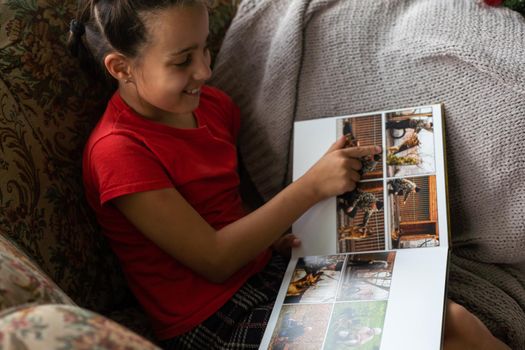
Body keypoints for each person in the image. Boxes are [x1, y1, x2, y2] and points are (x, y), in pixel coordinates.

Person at [67, 1, 510, 349]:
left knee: (450, 319)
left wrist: (274, 237)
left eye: (205, 48)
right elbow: (214, 259)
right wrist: (311, 186)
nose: (204, 70)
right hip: (214, 320)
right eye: (182, 60)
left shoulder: (212, 104)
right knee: (441, 326)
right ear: (121, 68)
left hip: (268, 272)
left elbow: (225, 203)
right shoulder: (118, 152)